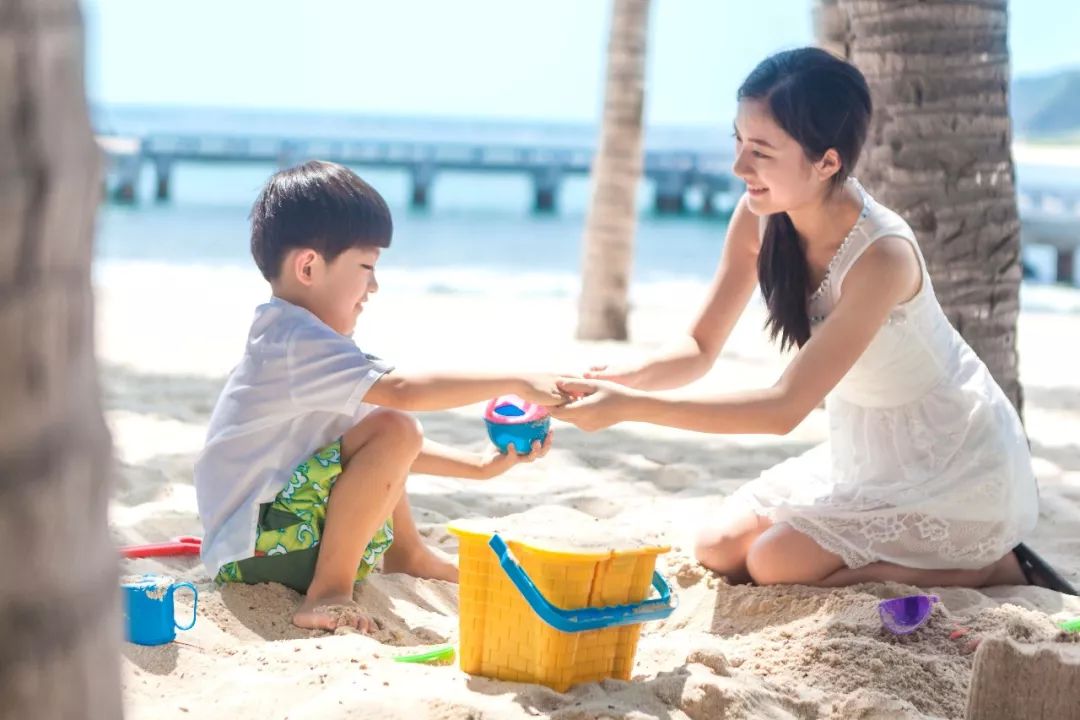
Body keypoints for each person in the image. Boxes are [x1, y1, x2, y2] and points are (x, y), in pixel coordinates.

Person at [553, 47, 1075, 594]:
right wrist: (625, 379)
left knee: (774, 564)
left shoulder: (882, 255)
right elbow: (699, 347)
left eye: (761, 151)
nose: (739, 167)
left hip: (950, 459)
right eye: (738, 141)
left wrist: (630, 409)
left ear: (826, 162)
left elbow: (783, 409)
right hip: (867, 449)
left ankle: (990, 567)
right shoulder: (759, 215)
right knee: (717, 546)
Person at [195, 160, 562, 632]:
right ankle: (328, 592)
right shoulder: (293, 342)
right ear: (308, 266)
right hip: (257, 551)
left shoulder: (308, 341)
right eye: (366, 267)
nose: (374, 285)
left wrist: (479, 466)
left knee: (384, 423)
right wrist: (516, 381)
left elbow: (381, 451)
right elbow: (404, 395)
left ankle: (408, 555)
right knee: (394, 422)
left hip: (273, 540)